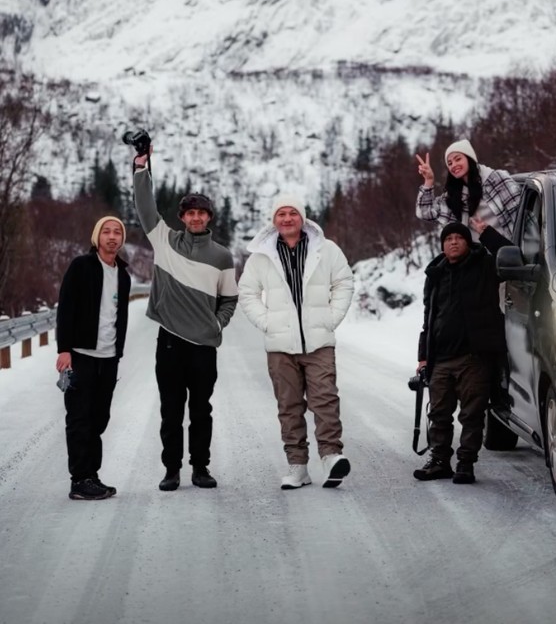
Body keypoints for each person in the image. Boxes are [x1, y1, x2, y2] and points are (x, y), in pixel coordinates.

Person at [132, 148, 238, 492]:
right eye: (190, 213)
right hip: (170, 342)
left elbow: (230, 298)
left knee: (201, 411)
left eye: (201, 213)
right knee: (171, 411)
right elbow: (145, 206)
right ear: (182, 217)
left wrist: (217, 324)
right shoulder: (164, 241)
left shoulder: (222, 256)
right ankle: (172, 470)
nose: (195, 218)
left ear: (209, 218)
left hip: (204, 346)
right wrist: (140, 167)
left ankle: (201, 468)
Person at [238, 193, 354, 490]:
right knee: (289, 406)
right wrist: (267, 323)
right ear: (274, 220)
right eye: (281, 214)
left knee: (325, 400)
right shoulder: (261, 256)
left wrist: (331, 318)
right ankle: (297, 466)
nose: (287, 218)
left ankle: (331, 456)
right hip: (280, 347)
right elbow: (247, 293)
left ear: (302, 218)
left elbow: (343, 282)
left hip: (319, 342)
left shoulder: (325, 249)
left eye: (292, 213)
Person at [413, 221, 506, 484]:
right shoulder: (436, 274)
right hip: (440, 358)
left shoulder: (484, 266)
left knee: (472, 414)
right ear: (442, 244)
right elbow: (428, 318)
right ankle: (440, 461)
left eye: (459, 238)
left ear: (468, 242)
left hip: (474, 357)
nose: (453, 242)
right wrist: (423, 356)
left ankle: (466, 463)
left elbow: (511, 255)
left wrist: (487, 233)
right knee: (439, 414)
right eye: (448, 238)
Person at [56, 216, 131, 501]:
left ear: (122, 240)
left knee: (99, 418)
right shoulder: (81, 266)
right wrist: (64, 349)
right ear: (96, 236)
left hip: (108, 358)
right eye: (107, 232)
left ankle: (92, 475)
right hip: (81, 356)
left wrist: (117, 352)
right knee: (79, 418)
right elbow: (66, 308)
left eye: (117, 233)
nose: (112, 237)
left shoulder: (123, 275)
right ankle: (79, 479)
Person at [415, 138, 520, 252]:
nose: (454, 165)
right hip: (478, 261)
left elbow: (521, 216)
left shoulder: (496, 180)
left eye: (458, 159)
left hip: (510, 256)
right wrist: (429, 180)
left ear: (469, 158)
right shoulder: (455, 195)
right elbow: (424, 212)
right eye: (449, 163)